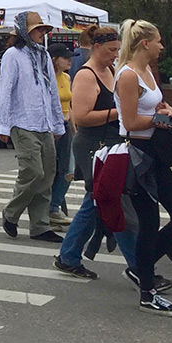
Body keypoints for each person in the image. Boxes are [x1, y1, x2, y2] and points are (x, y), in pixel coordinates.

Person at [53, 26, 146, 281]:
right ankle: (139, 267)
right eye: (110, 50)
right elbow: (80, 117)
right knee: (109, 199)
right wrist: (122, 111)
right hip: (93, 144)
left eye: (118, 50)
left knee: (97, 202)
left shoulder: (111, 70)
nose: (115, 55)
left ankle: (69, 255)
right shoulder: (86, 75)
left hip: (112, 144)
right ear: (96, 47)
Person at [115, 18, 172, 316]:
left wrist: (165, 111)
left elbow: (153, 108)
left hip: (155, 151)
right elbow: (131, 121)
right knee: (148, 223)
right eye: (158, 41)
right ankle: (147, 291)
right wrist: (162, 120)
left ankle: (140, 268)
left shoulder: (147, 71)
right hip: (137, 152)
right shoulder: (129, 75)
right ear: (145, 43)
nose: (162, 46)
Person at [0, 12, 67, 242]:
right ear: (25, 31)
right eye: (37, 29)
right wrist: (3, 125)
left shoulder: (43, 55)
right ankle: (11, 212)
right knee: (33, 171)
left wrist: (57, 123)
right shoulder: (12, 56)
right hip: (22, 120)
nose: (41, 33)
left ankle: (40, 225)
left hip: (43, 121)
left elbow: (52, 91)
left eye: (44, 30)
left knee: (47, 174)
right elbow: (5, 90)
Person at [48, 41, 75, 226]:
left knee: (68, 169)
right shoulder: (46, 78)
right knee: (50, 169)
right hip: (51, 127)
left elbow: (70, 104)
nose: (69, 61)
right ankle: (49, 207)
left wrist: (74, 126)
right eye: (65, 58)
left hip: (66, 125)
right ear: (54, 59)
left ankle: (55, 205)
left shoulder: (67, 78)